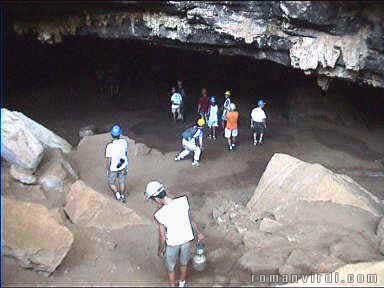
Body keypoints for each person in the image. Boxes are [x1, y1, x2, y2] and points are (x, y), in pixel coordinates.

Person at [145, 181, 204, 287]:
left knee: (171, 268)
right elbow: (191, 219)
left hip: (172, 244)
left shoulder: (159, 214)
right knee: (183, 263)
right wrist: (198, 232)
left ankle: (172, 286)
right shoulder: (183, 201)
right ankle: (182, 283)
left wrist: (161, 250)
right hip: (186, 239)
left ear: (156, 199)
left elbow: (162, 236)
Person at [105, 124, 128, 202]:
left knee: (111, 183)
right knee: (122, 182)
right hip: (123, 165)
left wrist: (108, 169)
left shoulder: (109, 146)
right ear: (120, 134)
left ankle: (117, 194)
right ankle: (122, 195)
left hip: (113, 168)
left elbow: (109, 160)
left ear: (112, 135)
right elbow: (125, 153)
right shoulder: (124, 142)